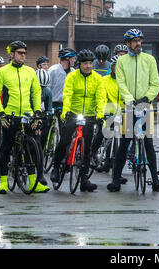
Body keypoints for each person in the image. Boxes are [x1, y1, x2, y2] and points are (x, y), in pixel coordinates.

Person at [106, 28, 159, 192]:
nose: (138, 43)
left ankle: (155, 180)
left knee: (148, 143)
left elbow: (155, 82)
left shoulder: (149, 59)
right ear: (128, 43)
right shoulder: (122, 62)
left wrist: (147, 98)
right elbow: (121, 83)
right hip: (129, 105)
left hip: (145, 105)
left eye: (140, 40)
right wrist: (130, 100)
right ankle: (116, 180)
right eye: (135, 41)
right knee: (125, 143)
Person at [0, 41, 49, 194]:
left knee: (30, 148)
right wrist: (1, 113)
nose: (23, 56)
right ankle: (3, 182)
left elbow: (36, 93)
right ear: (11, 54)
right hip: (10, 115)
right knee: (6, 147)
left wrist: (37, 112)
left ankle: (33, 182)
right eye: (20, 53)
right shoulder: (2, 72)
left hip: (26, 114)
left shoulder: (30, 72)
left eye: (24, 53)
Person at [49, 49, 107, 192]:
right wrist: (66, 111)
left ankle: (84, 179)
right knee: (64, 140)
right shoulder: (72, 77)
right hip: (73, 113)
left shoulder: (98, 79)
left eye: (90, 63)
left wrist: (100, 116)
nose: (88, 66)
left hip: (89, 115)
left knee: (86, 148)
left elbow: (100, 98)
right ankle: (56, 167)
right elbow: (67, 94)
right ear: (79, 64)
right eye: (85, 63)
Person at [90, 54, 126, 179]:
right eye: (116, 66)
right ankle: (91, 154)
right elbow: (101, 98)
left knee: (121, 143)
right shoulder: (104, 80)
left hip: (122, 113)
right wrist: (104, 112)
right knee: (103, 132)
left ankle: (115, 170)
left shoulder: (126, 81)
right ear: (112, 67)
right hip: (108, 111)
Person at [48, 48, 77, 132]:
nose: (74, 60)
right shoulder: (53, 70)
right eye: (73, 58)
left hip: (66, 105)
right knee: (47, 129)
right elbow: (47, 88)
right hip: (53, 104)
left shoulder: (73, 72)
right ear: (67, 59)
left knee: (66, 130)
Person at [35, 68, 52, 186]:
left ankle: (40, 174)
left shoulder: (47, 91)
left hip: (41, 115)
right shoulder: (30, 89)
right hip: (30, 113)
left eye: (43, 87)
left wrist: (47, 116)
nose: (41, 89)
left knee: (40, 146)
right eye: (39, 87)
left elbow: (49, 109)